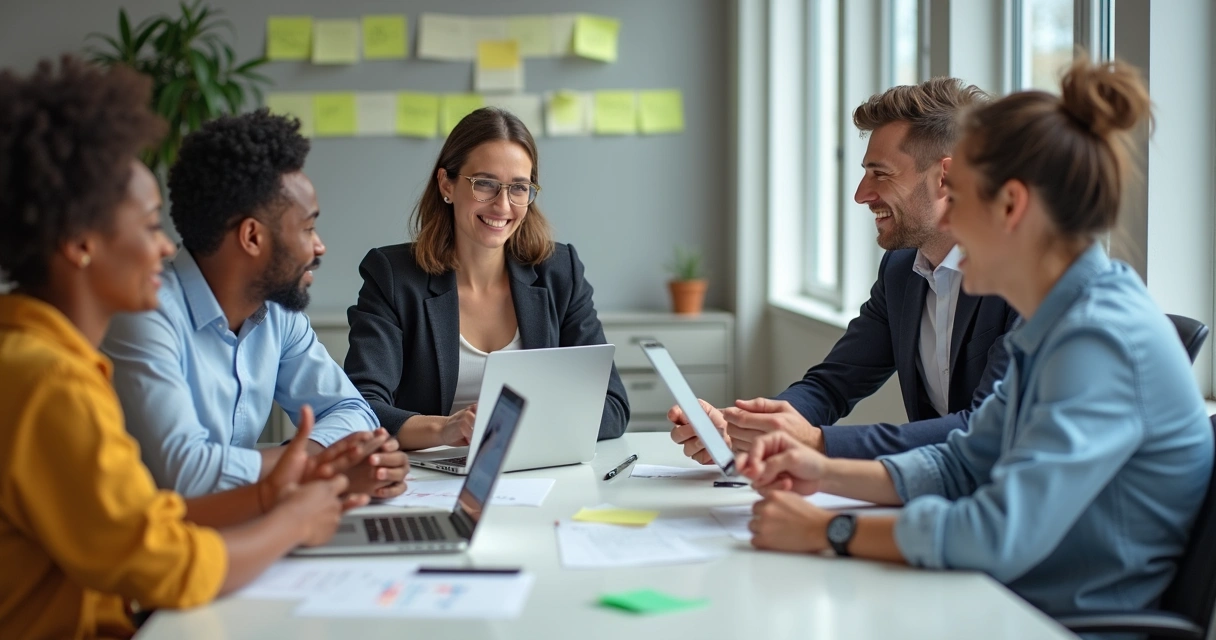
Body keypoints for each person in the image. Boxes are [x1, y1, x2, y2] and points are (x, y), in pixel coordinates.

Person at [736, 58, 1213, 623]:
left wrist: (831, 528)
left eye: (957, 201)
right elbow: (963, 465)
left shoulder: (1099, 339)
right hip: (1004, 596)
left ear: (1010, 206)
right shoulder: (1057, 322)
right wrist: (823, 471)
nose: (950, 230)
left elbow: (997, 532)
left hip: (1055, 620)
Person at [0, 56, 376, 639]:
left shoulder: (42, 357)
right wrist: (292, 521)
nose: (163, 248)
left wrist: (272, 491)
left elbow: (141, 518)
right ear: (81, 244)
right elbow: (162, 564)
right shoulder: (48, 380)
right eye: (149, 226)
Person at [672, 77, 1019, 464]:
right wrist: (747, 427)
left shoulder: (1021, 278)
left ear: (946, 177)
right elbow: (832, 385)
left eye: (881, 174)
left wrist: (819, 444)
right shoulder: (902, 270)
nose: (861, 194)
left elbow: (984, 427)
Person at [102, 110, 408, 499]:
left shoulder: (277, 311)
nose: (319, 247)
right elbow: (185, 474)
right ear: (252, 237)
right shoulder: (145, 312)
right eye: (308, 228)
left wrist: (314, 461)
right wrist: (321, 465)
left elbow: (354, 413)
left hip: (238, 524)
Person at [344, 107, 629, 450]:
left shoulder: (560, 271)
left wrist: (513, 431)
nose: (503, 205)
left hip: (535, 472)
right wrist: (445, 429)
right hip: (428, 476)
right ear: (446, 183)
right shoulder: (392, 276)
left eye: (519, 188)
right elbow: (362, 408)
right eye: (485, 184)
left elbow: (612, 405)